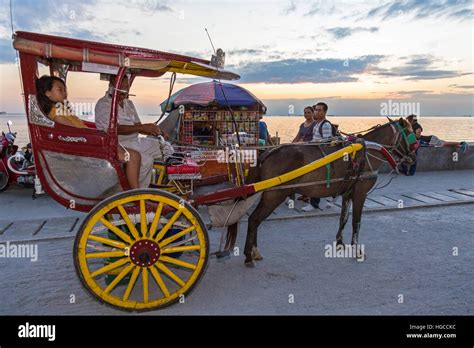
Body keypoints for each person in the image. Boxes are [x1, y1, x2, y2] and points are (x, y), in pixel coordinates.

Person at [35, 75, 141, 189]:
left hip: (88, 141)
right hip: (85, 146)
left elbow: (79, 127)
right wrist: (99, 135)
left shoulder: (60, 110)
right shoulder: (57, 114)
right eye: (60, 89)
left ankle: (130, 189)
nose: (65, 93)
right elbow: (75, 132)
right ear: (47, 93)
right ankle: (135, 192)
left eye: (65, 89)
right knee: (133, 156)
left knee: (130, 153)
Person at [95, 75, 174, 188]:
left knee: (166, 147)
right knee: (146, 160)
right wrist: (141, 128)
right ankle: (137, 194)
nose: (126, 89)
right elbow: (112, 129)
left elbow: (139, 126)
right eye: (123, 86)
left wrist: (156, 130)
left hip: (135, 140)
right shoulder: (104, 104)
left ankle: (170, 182)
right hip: (118, 144)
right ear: (113, 84)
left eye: (127, 86)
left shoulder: (129, 104)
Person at [302, 102, 335, 212]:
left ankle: (314, 203)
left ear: (325, 112)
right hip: (315, 154)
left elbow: (326, 143)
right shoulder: (317, 124)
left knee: (316, 179)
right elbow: (316, 139)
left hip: (321, 156)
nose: (316, 112)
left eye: (319, 110)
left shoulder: (325, 125)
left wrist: (311, 144)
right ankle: (325, 200)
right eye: (315, 109)